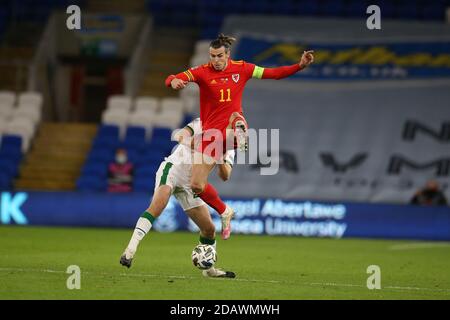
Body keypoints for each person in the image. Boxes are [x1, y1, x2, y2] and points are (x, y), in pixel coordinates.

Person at [165, 34, 314, 241]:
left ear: (227, 55)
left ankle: (239, 128)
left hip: (230, 132)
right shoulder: (201, 72)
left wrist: (299, 65)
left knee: (235, 118)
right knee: (196, 185)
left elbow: (274, 73)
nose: (215, 60)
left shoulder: (242, 68)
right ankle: (225, 211)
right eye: (211, 56)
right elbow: (173, 77)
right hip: (210, 137)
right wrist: (174, 83)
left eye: (219, 56)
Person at [120, 117, 236, 278]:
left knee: (209, 229)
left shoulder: (230, 148)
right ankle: (130, 251)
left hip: (192, 183)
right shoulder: (204, 122)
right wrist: (200, 144)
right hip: (174, 169)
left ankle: (209, 270)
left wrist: (220, 156)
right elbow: (180, 135)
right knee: (157, 207)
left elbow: (225, 175)